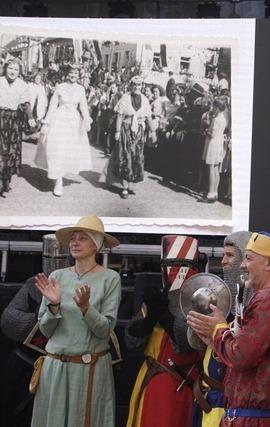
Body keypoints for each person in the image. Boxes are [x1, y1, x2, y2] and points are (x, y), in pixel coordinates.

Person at [187, 232, 270, 426]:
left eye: (249, 258)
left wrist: (219, 328)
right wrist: (215, 341)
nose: (243, 265)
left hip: (256, 421)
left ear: (269, 263)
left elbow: (240, 356)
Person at [31, 215, 121, 427]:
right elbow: (45, 330)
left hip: (89, 369)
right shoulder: (57, 276)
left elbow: (105, 330)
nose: (74, 242)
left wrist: (86, 308)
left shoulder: (110, 278)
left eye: (82, 238)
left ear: (96, 244)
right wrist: (53, 306)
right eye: (73, 238)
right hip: (56, 368)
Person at [126, 235, 204, 427]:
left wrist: (162, 313)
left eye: (180, 263)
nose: (174, 268)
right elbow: (132, 341)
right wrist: (150, 317)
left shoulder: (201, 300)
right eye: (170, 263)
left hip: (177, 384)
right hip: (150, 379)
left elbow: (186, 344)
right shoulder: (158, 297)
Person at [0, 234, 71, 427]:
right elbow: (9, 319)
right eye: (52, 257)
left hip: (63, 366)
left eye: (60, 258)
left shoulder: (77, 287)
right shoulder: (33, 284)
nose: (56, 262)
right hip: (26, 366)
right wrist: (40, 319)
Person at [188, 230, 252, 427]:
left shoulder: (256, 302)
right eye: (223, 255)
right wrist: (199, 316)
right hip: (210, 400)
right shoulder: (218, 297)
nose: (223, 261)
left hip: (234, 404)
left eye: (230, 255)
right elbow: (194, 343)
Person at [34, 64, 92, 197]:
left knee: (68, 150)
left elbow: (83, 106)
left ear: (79, 76)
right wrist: (47, 122)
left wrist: (87, 120)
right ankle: (58, 181)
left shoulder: (81, 89)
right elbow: (53, 105)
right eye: (71, 73)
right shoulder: (60, 87)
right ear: (67, 74)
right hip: (59, 120)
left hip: (73, 122)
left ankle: (59, 175)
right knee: (57, 149)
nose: (73, 76)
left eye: (76, 74)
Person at [107, 75, 155, 199]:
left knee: (136, 157)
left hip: (138, 131)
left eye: (138, 85)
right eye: (134, 85)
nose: (136, 87)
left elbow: (148, 117)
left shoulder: (144, 99)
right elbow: (120, 116)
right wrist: (117, 131)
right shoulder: (125, 97)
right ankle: (124, 187)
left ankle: (131, 184)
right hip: (126, 130)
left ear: (142, 86)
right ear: (131, 85)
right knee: (125, 155)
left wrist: (153, 132)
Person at [0, 57, 35, 197]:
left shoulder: (22, 85)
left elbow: (25, 104)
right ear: (5, 68)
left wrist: (31, 118)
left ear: (19, 71)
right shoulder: (0, 81)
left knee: (10, 151)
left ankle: (6, 180)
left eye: (16, 69)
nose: (12, 71)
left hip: (14, 121)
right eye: (10, 68)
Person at [200, 98, 227, 203]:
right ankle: (215, 192)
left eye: (214, 107)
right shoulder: (223, 118)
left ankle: (210, 194)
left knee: (211, 168)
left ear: (217, 107)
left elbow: (212, 134)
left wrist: (206, 130)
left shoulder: (216, 119)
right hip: (218, 144)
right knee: (215, 168)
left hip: (213, 144)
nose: (213, 109)